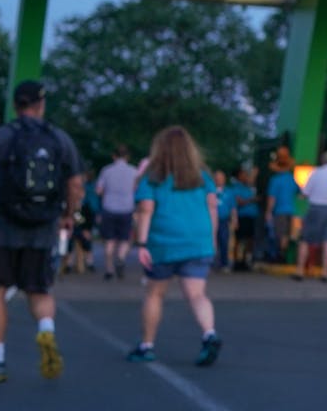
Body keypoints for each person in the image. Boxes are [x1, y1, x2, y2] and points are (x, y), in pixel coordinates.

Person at [0, 80, 84, 383]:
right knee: (40, 289)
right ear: (41, 104)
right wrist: (69, 215)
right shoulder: (60, 139)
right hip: (42, 227)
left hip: (2, 226)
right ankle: (46, 330)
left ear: (16, 105)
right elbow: (76, 184)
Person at [126, 125, 222, 367]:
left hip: (163, 242)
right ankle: (209, 333)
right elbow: (212, 206)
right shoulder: (202, 176)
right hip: (198, 240)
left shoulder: (153, 176)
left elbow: (146, 209)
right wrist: (211, 237)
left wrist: (142, 243)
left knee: (155, 293)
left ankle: (146, 346)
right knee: (198, 294)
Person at [292, 150, 327, 282]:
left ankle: (300, 270)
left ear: (322, 160)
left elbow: (305, 193)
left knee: (305, 239)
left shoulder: (315, 174)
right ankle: (325, 272)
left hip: (315, 208)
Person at [95, 144, 138, 281]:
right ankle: (120, 257)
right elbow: (137, 191)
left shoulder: (106, 171)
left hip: (109, 208)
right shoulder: (134, 171)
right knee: (125, 238)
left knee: (109, 240)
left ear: (114, 156)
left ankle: (109, 269)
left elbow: (99, 190)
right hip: (127, 208)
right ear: (127, 157)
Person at [263, 146, 298, 263]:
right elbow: (299, 193)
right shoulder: (292, 179)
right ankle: (282, 254)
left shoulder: (275, 180)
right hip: (291, 210)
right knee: (287, 234)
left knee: (280, 234)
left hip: (279, 211)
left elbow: (271, 198)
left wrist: (268, 212)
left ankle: (279, 255)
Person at [229, 165, 259, 271]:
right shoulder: (235, 188)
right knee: (239, 239)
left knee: (249, 239)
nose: (245, 176)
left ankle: (246, 260)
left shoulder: (249, 187)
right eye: (243, 174)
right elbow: (239, 201)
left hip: (251, 216)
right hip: (241, 216)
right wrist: (252, 200)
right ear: (238, 176)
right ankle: (237, 261)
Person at [213, 169, 236, 272]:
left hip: (223, 220)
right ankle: (212, 263)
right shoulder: (210, 191)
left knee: (224, 241)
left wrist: (235, 219)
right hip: (212, 220)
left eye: (221, 178)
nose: (219, 180)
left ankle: (224, 263)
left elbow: (233, 208)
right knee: (213, 242)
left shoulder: (229, 192)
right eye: (217, 178)